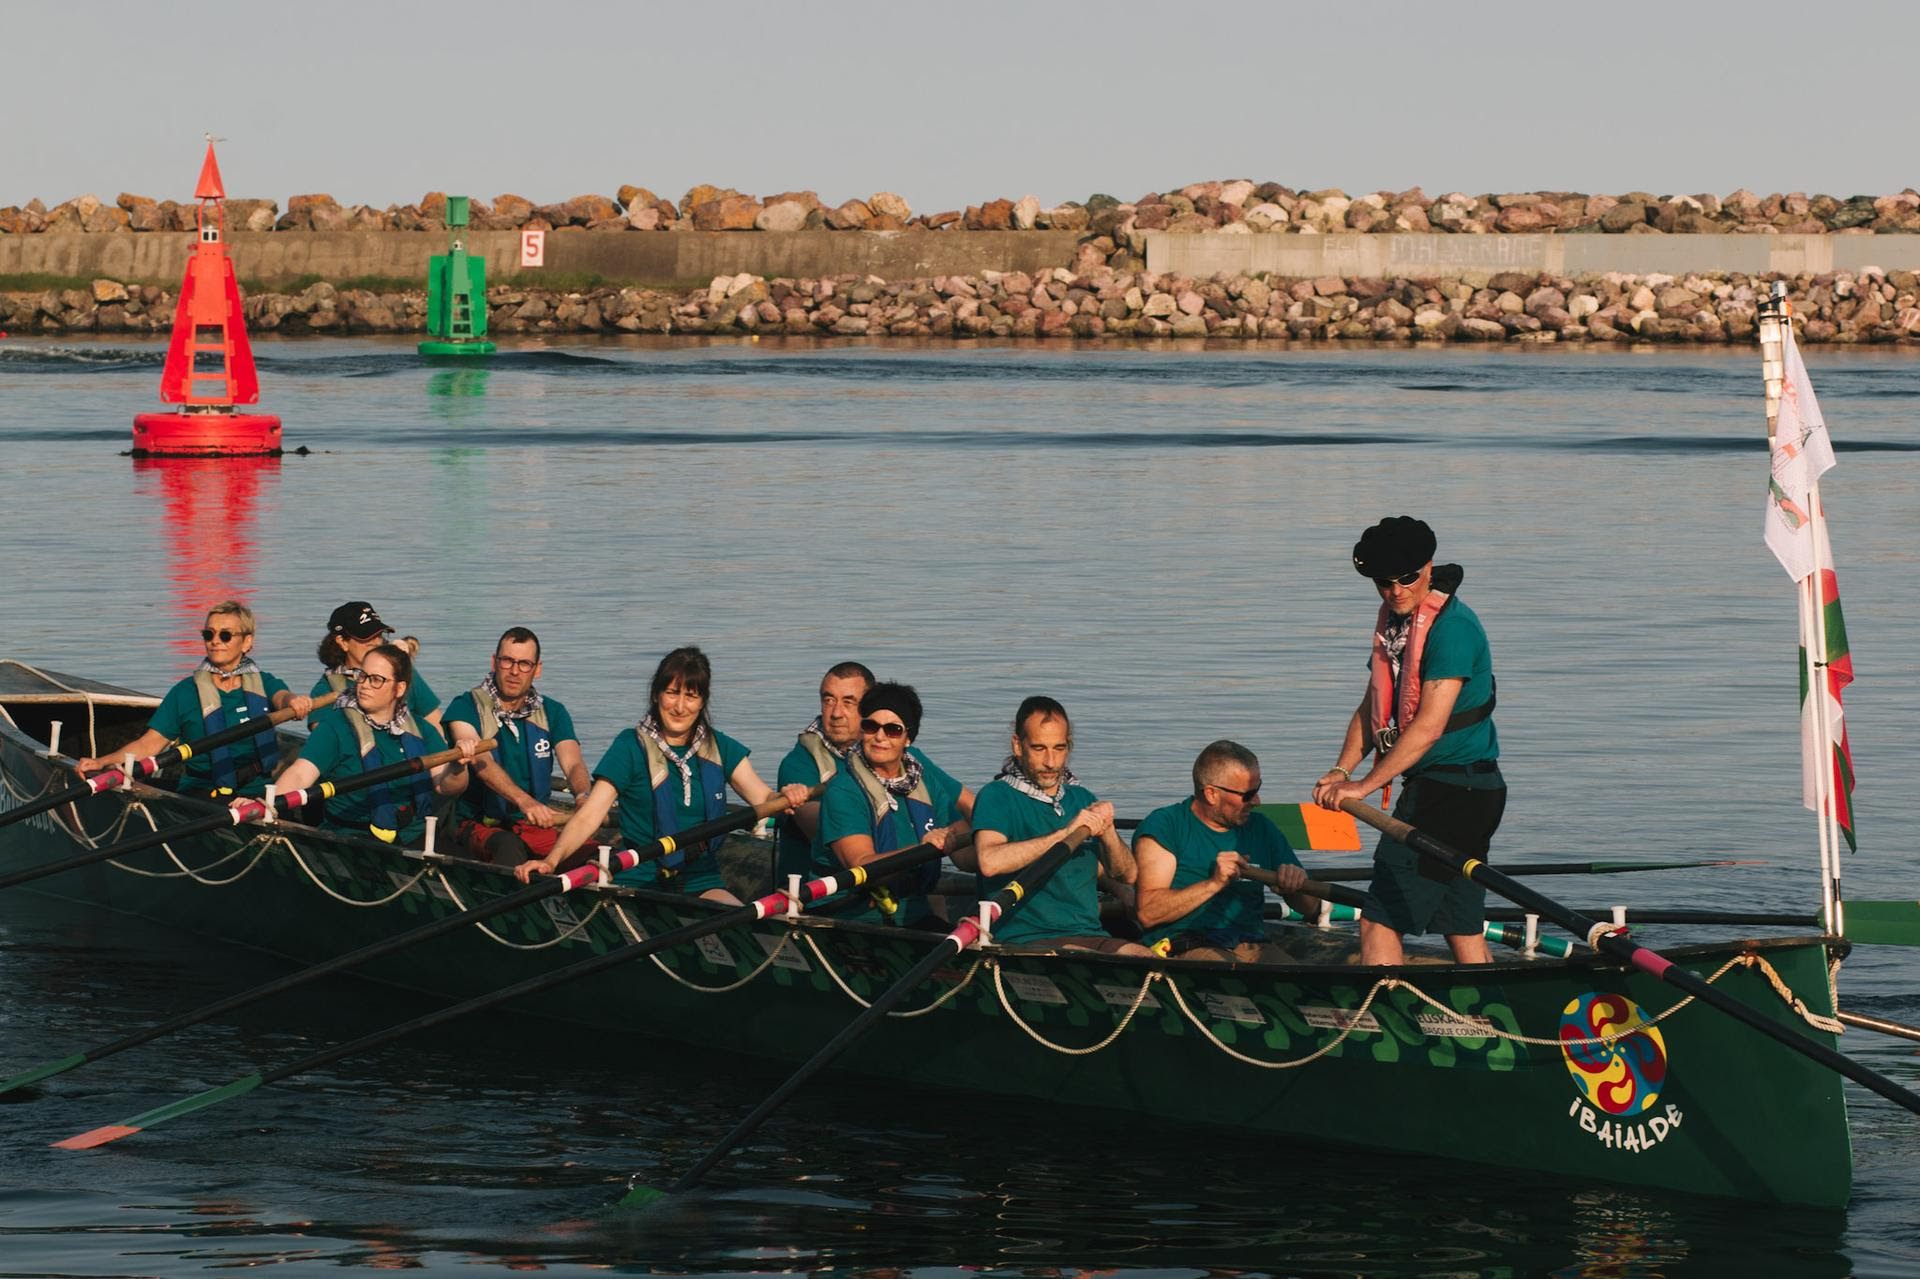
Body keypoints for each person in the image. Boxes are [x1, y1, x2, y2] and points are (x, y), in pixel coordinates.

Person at [1312, 516, 1503, 965]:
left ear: (1429, 567)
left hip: (1452, 793)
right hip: (1458, 792)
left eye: (1407, 579)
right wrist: (1342, 770)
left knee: (1379, 918)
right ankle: (1490, 1017)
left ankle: (1388, 1019)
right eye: (1384, 582)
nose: (1396, 590)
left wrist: (1361, 786)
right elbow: (1372, 707)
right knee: (1461, 926)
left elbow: (1429, 726)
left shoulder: (1452, 628)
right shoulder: (1396, 626)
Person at [512, 646, 808, 903]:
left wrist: (788, 795)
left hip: (701, 879)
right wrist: (551, 860)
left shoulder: (720, 747)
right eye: (672, 693)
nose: (680, 707)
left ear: (703, 701)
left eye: (691, 696)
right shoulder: (629, 747)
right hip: (637, 877)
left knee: (736, 924)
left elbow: (765, 798)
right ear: (656, 695)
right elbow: (590, 816)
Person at [78, 601, 312, 798]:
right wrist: (102, 762)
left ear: (247, 642)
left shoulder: (265, 683)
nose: (215, 641)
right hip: (200, 790)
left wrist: (294, 701)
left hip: (256, 791)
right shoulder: (185, 692)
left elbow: (282, 698)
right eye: (208, 634)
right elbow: (149, 744)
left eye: (226, 635)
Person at [970, 696, 1147, 955]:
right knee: (1086, 959)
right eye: (1039, 748)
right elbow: (989, 861)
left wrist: (1108, 834)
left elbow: (1128, 875)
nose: (1051, 762)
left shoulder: (1083, 799)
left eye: (1059, 748)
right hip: (1025, 939)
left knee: (1144, 958)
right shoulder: (996, 796)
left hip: (1089, 933)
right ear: (1018, 746)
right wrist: (1066, 833)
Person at [271, 643, 476, 846]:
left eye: (376, 679)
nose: (364, 685)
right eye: (362, 675)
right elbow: (301, 774)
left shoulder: (422, 730)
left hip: (413, 835)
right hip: (350, 837)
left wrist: (458, 767)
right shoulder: (334, 727)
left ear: (399, 688)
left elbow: (447, 787)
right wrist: (267, 804)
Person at [1135, 741, 1320, 961]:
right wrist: (1215, 883)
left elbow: (1310, 908)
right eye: (1248, 795)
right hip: (1183, 943)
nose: (1257, 801)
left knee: (1297, 981)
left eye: (1258, 789)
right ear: (1212, 794)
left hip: (1252, 943)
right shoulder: (1165, 826)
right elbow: (1148, 913)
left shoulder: (1262, 828)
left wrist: (1296, 886)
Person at [811, 681, 971, 927]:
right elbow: (861, 864)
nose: (880, 737)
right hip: (850, 917)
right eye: (871, 726)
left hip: (913, 913)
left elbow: (964, 856)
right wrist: (923, 848)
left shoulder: (924, 781)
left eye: (893, 730)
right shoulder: (843, 790)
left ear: (908, 738)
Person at [442, 627, 592, 865]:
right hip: (479, 824)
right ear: (494, 662)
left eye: (524, 664)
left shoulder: (554, 712)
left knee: (596, 851)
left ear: (537, 669)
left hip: (534, 825)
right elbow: (483, 763)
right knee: (510, 849)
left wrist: (584, 797)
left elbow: (573, 762)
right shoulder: (465, 707)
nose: (514, 671)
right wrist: (526, 802)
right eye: (507, 661)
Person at [773, 660, 876, 883]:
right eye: (829, 700)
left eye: (848, 702)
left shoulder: (887, 753)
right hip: (814, 895)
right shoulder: (798, 763)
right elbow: (819, 825)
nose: (836, 713)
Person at [312, 601, 442, 731]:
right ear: (342, 642)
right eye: (366, 636)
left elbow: (436, 724)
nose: (376, 642)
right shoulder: (324, 691)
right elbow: (321, 741)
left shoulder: (403, 673)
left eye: (378, 635)